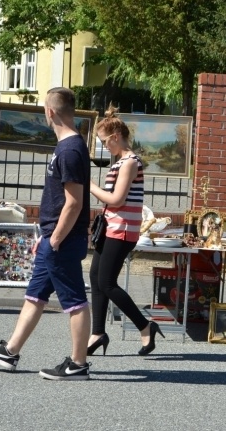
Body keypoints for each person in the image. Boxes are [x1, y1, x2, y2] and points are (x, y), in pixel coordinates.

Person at [0, 87, 93, 380]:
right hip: (54, 235)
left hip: (62, 239)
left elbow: (74, 202)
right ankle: (9, 351)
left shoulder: (71, 149)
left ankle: (78, 364)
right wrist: (46, 233)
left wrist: (55, 238)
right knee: (35, 296)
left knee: (75, 301)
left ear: (49, 112)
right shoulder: (66, 147)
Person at [87, 105, 164, 357]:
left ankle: (145, 326)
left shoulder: (130, 162)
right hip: (111, 227)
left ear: (116, 137)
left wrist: (89, 185)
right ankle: (97, 333)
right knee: (96, 278)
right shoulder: (120, 162)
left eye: (104, 142)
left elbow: (117, 199)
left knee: (107, 283)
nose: (103, 146)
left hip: (122, 231)